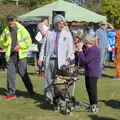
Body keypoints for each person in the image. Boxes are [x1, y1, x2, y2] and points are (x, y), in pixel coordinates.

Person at [38, 14, 74, 103]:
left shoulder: (67, 34)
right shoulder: (49, 33)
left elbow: (70, 50)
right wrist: (41, 58)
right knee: (48, 79)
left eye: (63, 24)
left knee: (59, 81)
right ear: (55, 23)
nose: (62, 25)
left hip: (61, 62)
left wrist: (67, 62)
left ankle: (58, 99)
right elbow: (43, 46)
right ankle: (48, 98)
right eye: (60, 23)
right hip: (49, 60)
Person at [0, 14, 35, 100]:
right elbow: (2, 45)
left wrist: (20, 46)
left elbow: (29, 41)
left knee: (23, 73)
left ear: (15, 20)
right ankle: (11, 93)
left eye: (12, 20)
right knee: (10, 75)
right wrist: (5, 39)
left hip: (21, 56)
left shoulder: (21, 29)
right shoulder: (5, 31)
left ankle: (31, 90)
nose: (10, 22)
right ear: (7, 21)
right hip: (10, 56)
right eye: (9, 20)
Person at [79, 34, 100, 113]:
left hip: (93, 72)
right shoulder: (89, 48)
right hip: (88, 72)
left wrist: (80, 50)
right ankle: (92, 105)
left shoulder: (93, 49)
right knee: (89, 89)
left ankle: (94, 105)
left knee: (92, 90)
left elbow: (85, 60)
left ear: (88, 41)